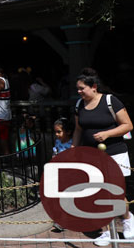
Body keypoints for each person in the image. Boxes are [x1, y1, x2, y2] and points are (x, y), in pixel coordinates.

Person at [71, 68, 134, 246]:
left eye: (82, 88)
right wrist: (74, 148)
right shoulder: (79, 105)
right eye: (78, 88)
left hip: (115, 153)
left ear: (94, 87)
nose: (79, 91)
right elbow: (78, 129)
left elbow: (128, 125)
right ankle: (105, 231)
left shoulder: (110, 101)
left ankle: (128, 219)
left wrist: (107, 134)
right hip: (92, 154)